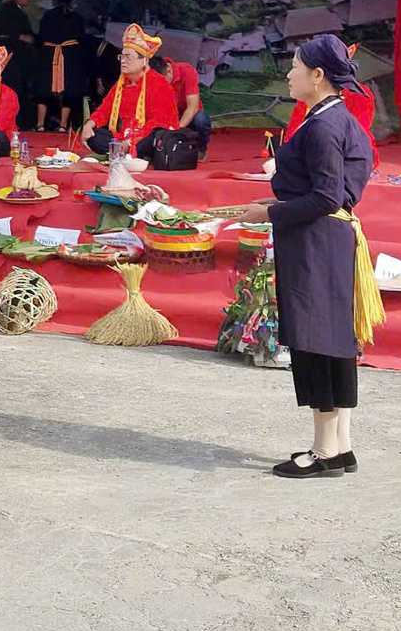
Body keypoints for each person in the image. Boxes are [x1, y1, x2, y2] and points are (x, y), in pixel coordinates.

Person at [239, 36, 379, 479]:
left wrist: (271, 211)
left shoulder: (321, 126)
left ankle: (323, 451)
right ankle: (341, 445)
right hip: (330, 238)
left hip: (316, 243)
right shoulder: (338, 118)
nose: (289, 73)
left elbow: (325, 195)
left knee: (317, 342)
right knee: (336, 341)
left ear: (317, 76)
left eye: (295, 66)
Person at [81, 25, 179, 157]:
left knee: (153, 138)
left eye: (128, 57)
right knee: (94, 135)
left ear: (144, 61)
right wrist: (89, 125)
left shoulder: (159, 84)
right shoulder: (122, 82)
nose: (123, 61)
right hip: (124, 135)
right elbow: (105, 109)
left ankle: (127, 151)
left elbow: (158, 122)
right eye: (121, 57)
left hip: (148, 135)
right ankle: (123, 151)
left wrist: (131, 141)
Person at [34, 0, 90, 133]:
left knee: (43, 89)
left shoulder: (48, 15)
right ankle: (63, 125)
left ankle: (40, 124)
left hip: (49, 54)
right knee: (68, 90)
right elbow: (81, 37)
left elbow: (40, 36)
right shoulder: (76, 17)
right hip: (70, 55)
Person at [0, 0, 39, 129]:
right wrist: (21, 37)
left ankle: (21, 121)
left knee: (20, 87)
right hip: (10, 54)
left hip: (19, 55)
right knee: (11, 85)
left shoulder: (18, 10)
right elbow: (4, 29)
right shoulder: (7, 9)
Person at [153, 52, 212, 157]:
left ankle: (201, 150)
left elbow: (192, 107)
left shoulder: (187, 71)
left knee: (201, 119)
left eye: (162, 81)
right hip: (167, 116)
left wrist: (176, 130)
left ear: (169, 71)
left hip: (188, 115)